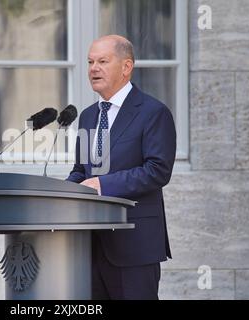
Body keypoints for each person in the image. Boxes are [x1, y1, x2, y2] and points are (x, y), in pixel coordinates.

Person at [67, 35, 176, 300]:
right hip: (90, 246)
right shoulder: (89, 115)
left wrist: (103, 185)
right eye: (90, 62)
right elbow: (82, 170)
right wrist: (59, 192)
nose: (93, 68)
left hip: (134, 246)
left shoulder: (153, 112)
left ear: (126, 67)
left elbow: (157, 170)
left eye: (103, 61)